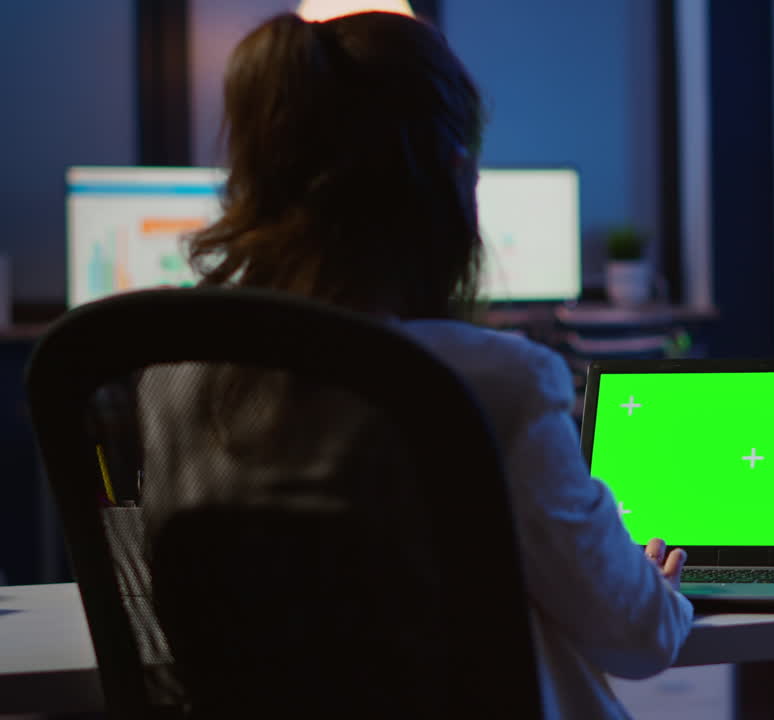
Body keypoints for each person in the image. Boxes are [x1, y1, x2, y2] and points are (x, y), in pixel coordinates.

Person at [182, 10, 692, 718]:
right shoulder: (496, 382)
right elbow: (638, 639)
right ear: (455, 177)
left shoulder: (180, 382)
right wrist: (649, 589)